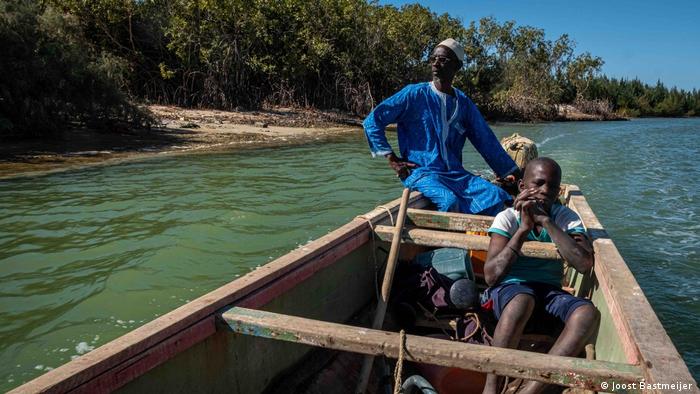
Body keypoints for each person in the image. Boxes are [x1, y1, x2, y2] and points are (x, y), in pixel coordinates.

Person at [363, 38, 520, 215]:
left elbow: (485, 140)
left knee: (497, 196)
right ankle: (447, 242)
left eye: (443, 60)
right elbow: (372, 121)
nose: (436, 64)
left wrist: (513, 173)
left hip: (455, 173)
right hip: (422, 172)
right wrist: (392, 159)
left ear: (457, 67)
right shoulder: (414, 94)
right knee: (449, 201)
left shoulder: (463, 103)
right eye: (433, 59)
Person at [482, 157, 598, 394]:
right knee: (522, 299)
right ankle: (492, 386)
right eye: (539, 183)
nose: (546, 191)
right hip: (509, 292)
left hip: (549, 293)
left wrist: (545, 220)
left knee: (587, 313)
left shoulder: (565, 217)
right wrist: (523, 229)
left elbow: (584, 263)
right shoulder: (507, 218)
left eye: (553, 187)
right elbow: (491, 276)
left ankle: (532, 389)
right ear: (522, 187)